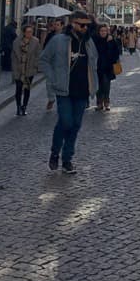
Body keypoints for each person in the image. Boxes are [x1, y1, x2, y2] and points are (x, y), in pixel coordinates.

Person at [39, 10, 98, 174]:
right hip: (63, 90)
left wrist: (94, 84)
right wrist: (53, 79)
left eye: (87, 25)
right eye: (82, 25)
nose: (85, 28)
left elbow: (94, 61)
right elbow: (44, 60)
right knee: (66, 122)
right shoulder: (58, 41)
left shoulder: (88, 42)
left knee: (76, 125)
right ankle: (55, 153)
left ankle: (67, 159)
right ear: (73, 24)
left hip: (82, 91)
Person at [11, 24, 40, 116]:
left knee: (27, 89)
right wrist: (15, 67)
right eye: (28, 32)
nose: (29, 34)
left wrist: (35, 65)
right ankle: (18, 107)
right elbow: (13, 56)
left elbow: (38, 55)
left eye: (31, 32)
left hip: (29, 69)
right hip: (19, 69)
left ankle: (24, 107)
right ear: (24, 32)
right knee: (18, 88)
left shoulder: (35, 41)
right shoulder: (17, 42)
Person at [93, 22, 120, 111]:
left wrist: (109, 43)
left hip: (107, 67)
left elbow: (116, 53)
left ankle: (106, 102)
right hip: (97, 67)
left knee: (106, 85)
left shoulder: (111, 40)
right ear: (99, 31)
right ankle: (99, 103)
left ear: (107, 31)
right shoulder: (95, 40)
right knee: (98, 86)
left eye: (105, 31)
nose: (103, 32)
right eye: (101, 31)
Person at [43, 19, 64, 110]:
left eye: (58, 24)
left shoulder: (66, 36)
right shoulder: (50, 35)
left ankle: (61, 100)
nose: (56, 26)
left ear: (62, 26)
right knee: (49, 82)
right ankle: (51, 98)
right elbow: (45, 47)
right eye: (55, 24)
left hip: (62, 62)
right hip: (51, 62)